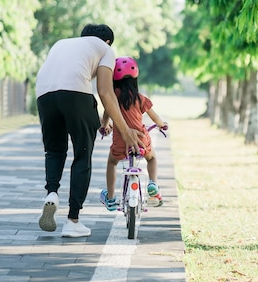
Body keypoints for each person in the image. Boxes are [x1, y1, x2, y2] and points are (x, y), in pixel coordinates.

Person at [35, 24, 144, 238]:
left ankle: (52, 193)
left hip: (43, 95)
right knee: (82, 155)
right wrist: (125, 130)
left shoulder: (62, 44)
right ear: (108, 41)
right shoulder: (105, 49)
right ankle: (72, 221)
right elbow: (105, 92)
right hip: (75, 95)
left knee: (55, 150)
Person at [99, 56, 168, 210]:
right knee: (152, 158)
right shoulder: (140, 98)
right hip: (141, 138)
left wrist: (105, 126)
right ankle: (152, 183)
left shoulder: (113, 98)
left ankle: (110, 198)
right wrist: (162, 125)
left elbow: (106, 115)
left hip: (120, 140)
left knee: (112, 162)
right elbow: (155, 117)